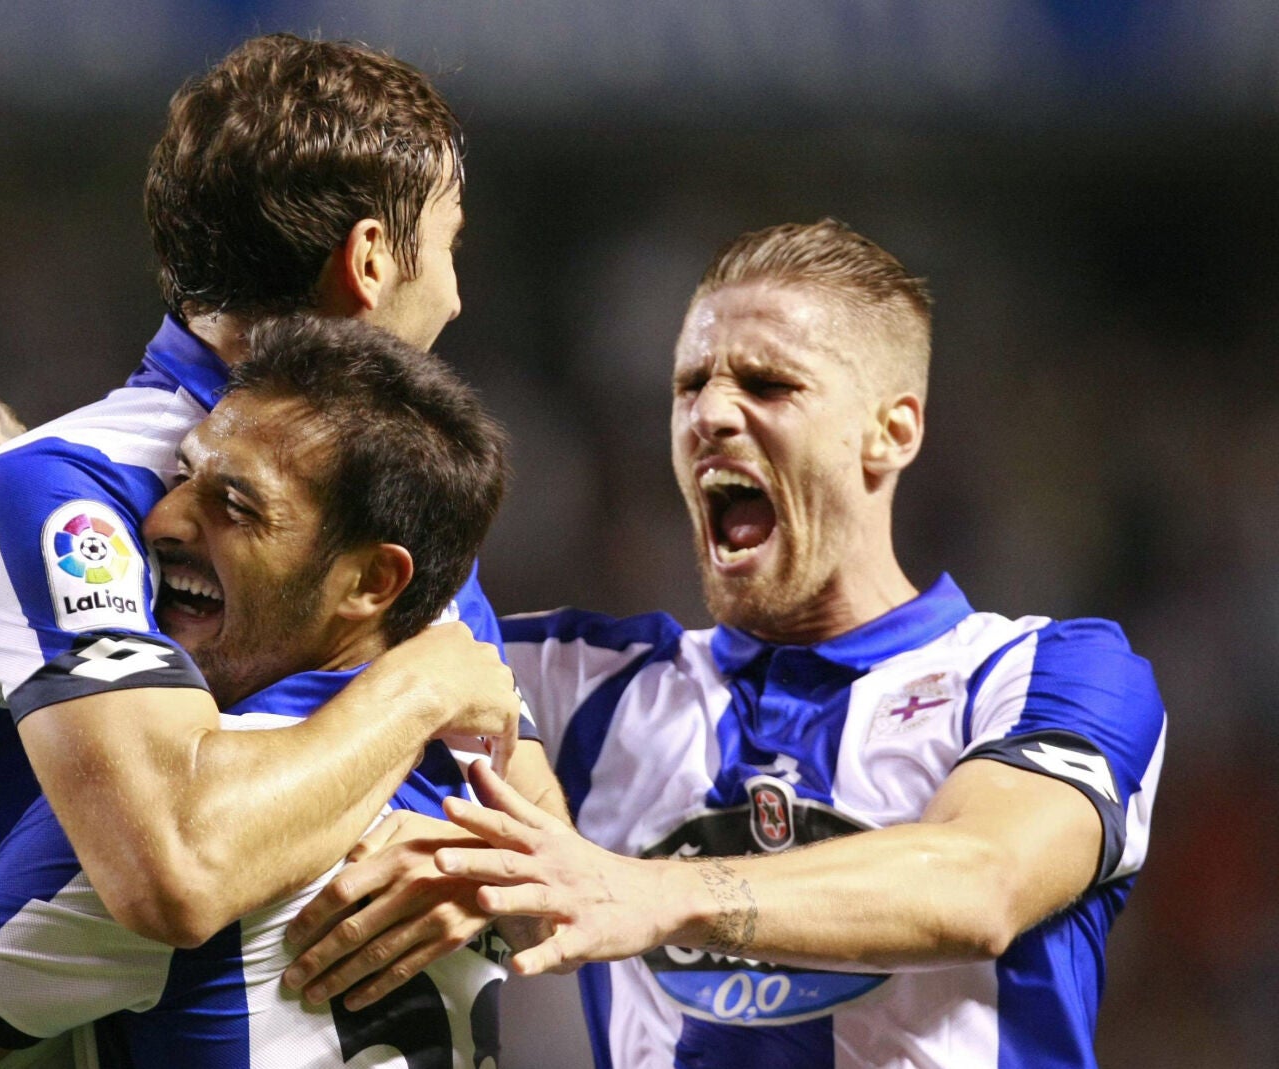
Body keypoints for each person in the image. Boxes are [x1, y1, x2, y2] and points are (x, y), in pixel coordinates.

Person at [0, 30, 565, 1018]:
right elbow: (171, 868)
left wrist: (452, 866)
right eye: (449, 246)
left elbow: (541, 856)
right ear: (372, 259)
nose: (457, 292)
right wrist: (423, 690)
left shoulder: (372, 491)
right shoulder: (77, 486)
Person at [311, 219, 1163, 1068]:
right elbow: (362, 603)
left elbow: (982, 882)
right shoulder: (578, 687)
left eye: (768, 383)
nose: (711, 413)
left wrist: (648, 892)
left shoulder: (1046, 673)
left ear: (892, 432)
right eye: (690, 385)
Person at [0, 316, 517, 1068]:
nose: (162, 519)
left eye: (236, 507)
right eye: (184, 477)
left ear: (373, 582)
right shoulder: (477, 768)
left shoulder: (169, 830)